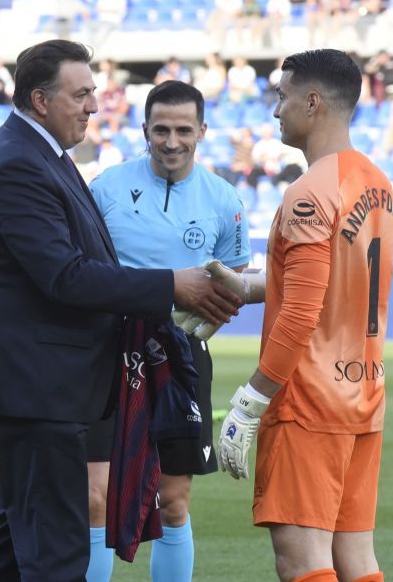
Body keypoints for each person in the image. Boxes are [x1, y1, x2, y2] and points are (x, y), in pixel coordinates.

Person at [0, 39, 241, 581]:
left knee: (9, 549)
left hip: (45, 386)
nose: (94, 105)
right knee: (56, 554)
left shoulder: (46, 156)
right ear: (41, 100)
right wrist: (171, 287)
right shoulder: (20, 163)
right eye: (83, 94)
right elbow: (63, 276)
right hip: (35, 388)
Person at [215, 49, 393, 582]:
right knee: (355, 559)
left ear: (312, 102)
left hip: (309, 400)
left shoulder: (309, 192)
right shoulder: (377, 183)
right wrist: (246, 288)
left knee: (303, 561)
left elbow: (301, 309)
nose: (276, 111)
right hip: (363, 392)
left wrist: (251, 401)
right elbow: (333, 280)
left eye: (282, 96)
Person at [84, 80, 253, 582]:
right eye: (161, 129)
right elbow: (84, 272)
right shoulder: (106, 188)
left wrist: (210, 319)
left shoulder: (225, 200)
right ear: (144, 130)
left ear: (202, 130)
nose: (172, 141)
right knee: (94, 495)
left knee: (173, 501)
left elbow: (235, 282)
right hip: (105, 352)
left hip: (181, 356)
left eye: (184, 129)